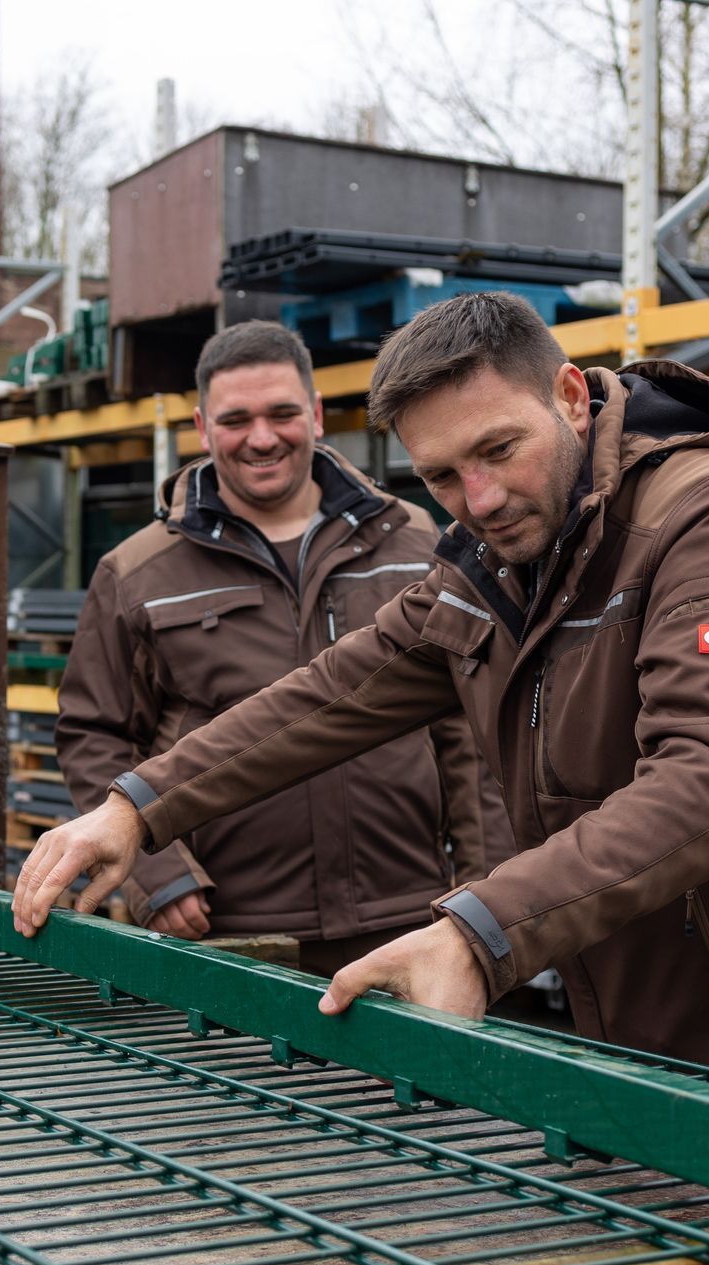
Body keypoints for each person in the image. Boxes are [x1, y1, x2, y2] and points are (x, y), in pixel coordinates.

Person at [16, 292, 709, 1106]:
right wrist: (136, 808)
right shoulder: (499, 559)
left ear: (571, 399)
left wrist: (477, 934)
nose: (479, 499)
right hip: (629, 1050)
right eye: (444, 477)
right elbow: (333, 694)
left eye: (499, 449)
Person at [54, 320, 512, 977]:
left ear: (317, 415)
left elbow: (470, 730)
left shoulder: (413, 541)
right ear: (203, 427)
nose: (262, 438)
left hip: (409, 917)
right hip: (228, 932)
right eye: (235, 419)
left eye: (282, 413)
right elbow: (91, 733)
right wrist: (157, 877)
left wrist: (484, 891)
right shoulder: (137, 573)